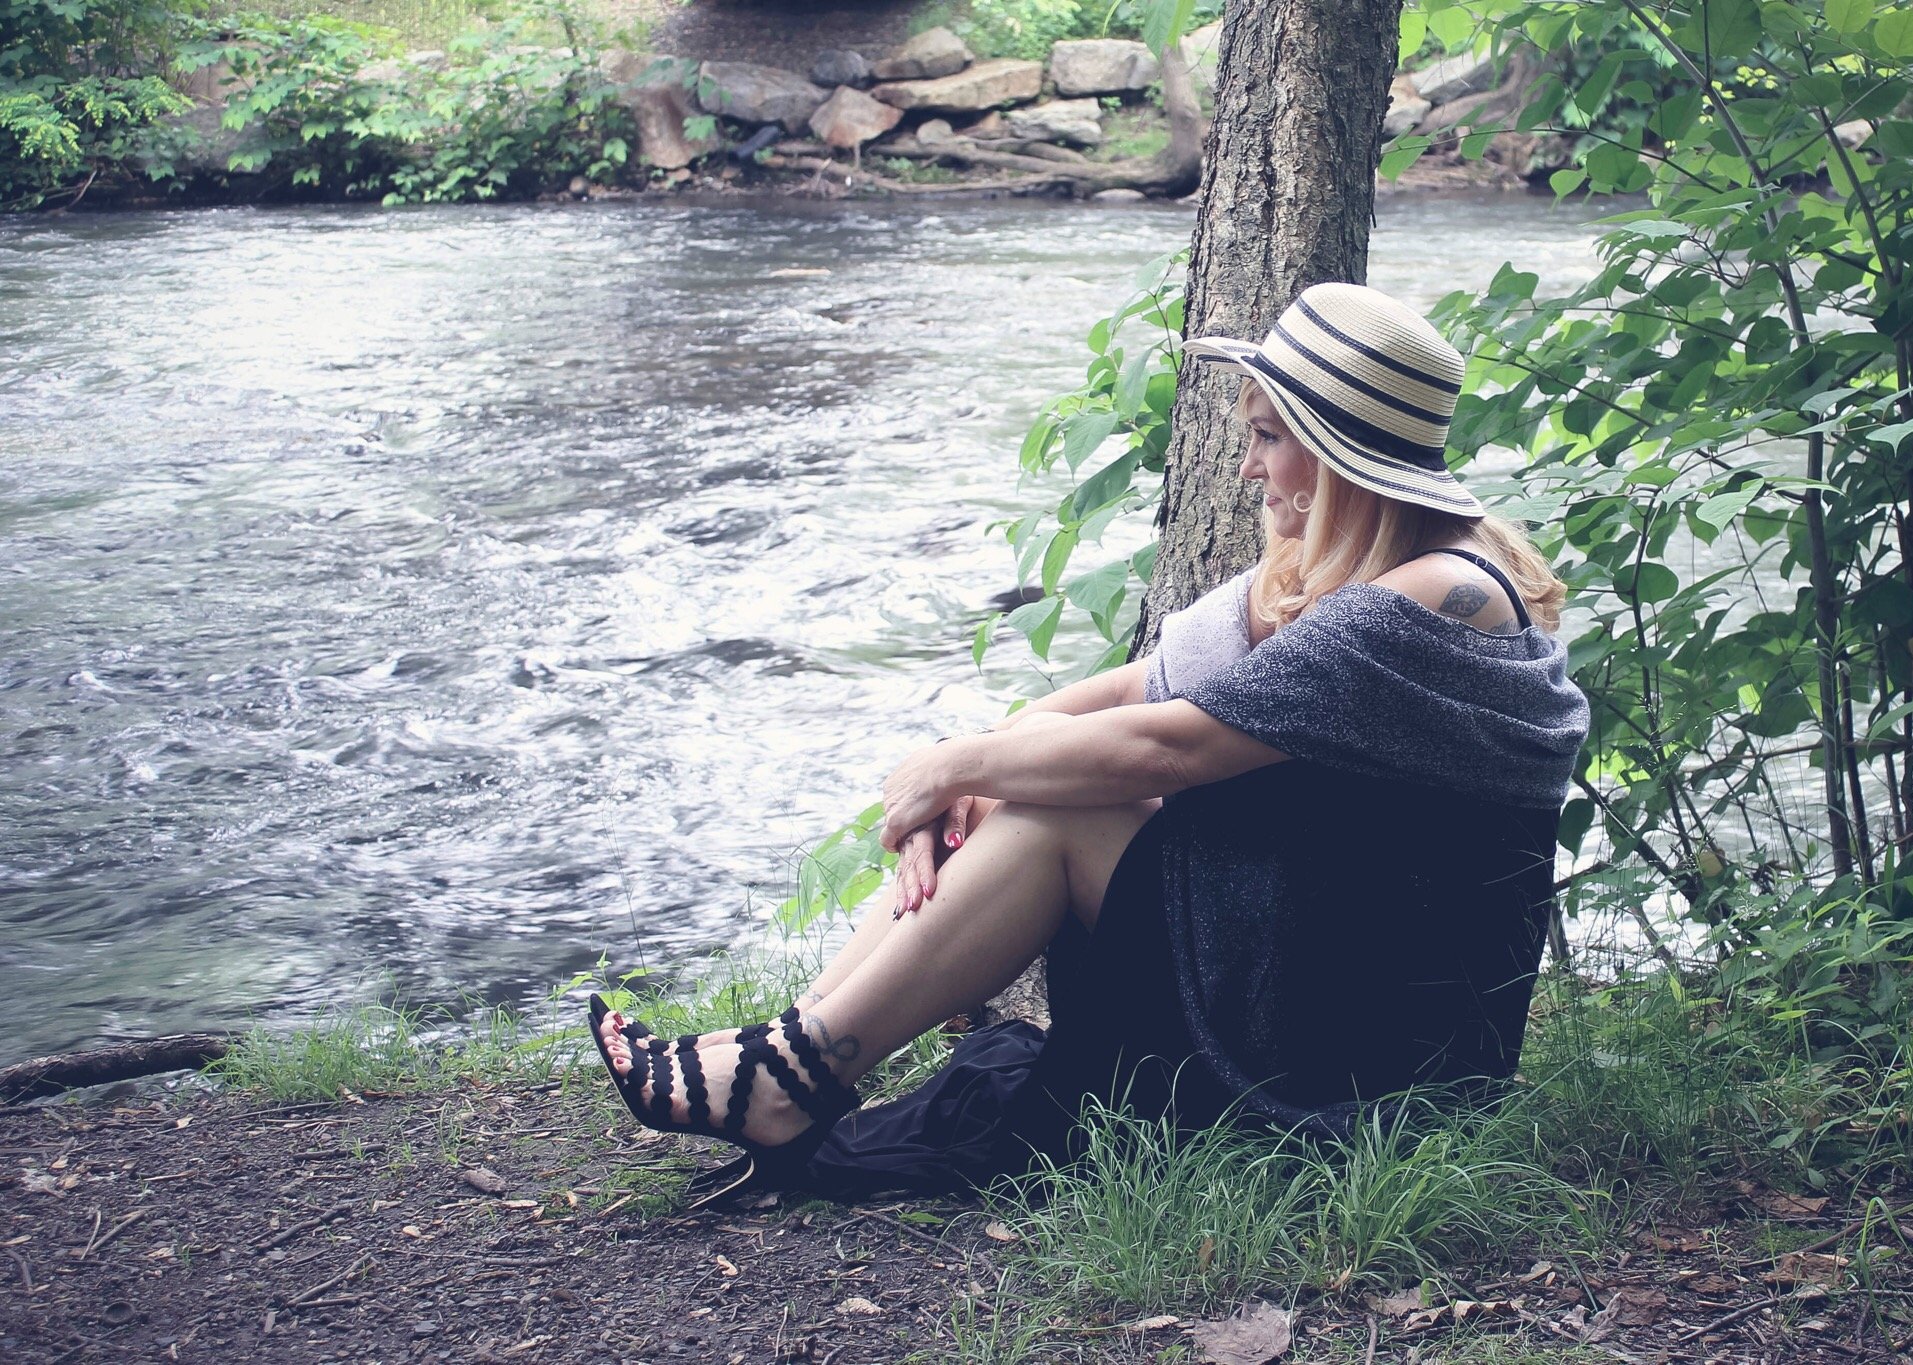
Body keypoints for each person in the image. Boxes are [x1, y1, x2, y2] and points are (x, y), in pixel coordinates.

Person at [588, 282, 1592, 1199]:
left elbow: (1167, 749)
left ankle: (788, 1074)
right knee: (1037, 785)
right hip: (1327, 958)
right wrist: (985, 760)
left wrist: (959, 767)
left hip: (1382, 1044)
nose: (1245, 466)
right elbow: (1135, 684)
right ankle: (790, 1045)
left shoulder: (1428, 599)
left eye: (1264, 439)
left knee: (1056, 811)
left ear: (1329, 451)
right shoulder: (1372, 561)